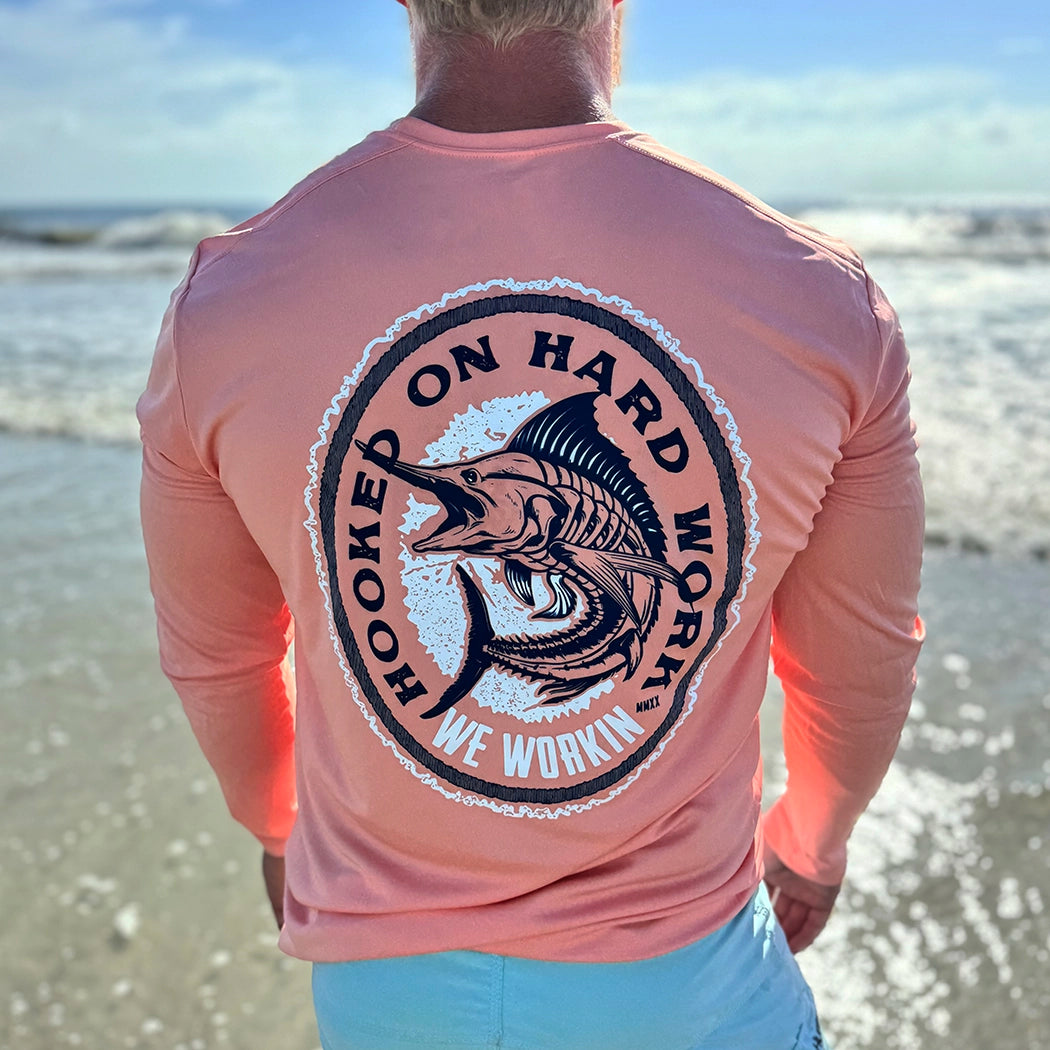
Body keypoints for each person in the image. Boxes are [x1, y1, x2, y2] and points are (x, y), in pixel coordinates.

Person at [137, 1, 924, 1047]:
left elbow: (218, 661)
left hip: (385, 999)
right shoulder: (821, 302)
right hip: (697, 990)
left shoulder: (227, 303)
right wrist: (813, 843)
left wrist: (280, 824)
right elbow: (860, 663)